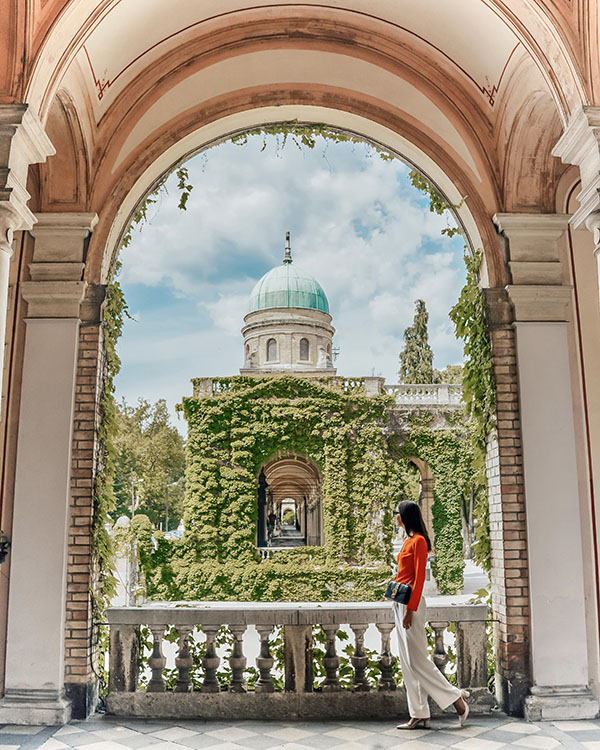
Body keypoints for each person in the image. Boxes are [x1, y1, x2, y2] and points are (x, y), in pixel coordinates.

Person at [392, 499, 469, 730]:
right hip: (399, 602)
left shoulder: (419, 542)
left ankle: (457, 700)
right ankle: (419, 714)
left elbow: (419, 579)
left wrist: (410, 611)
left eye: (397, 513)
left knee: (418, 661)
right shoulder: (408, 540)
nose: (395, 516)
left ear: (405, 516)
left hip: (410, 605)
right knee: (408, 663)